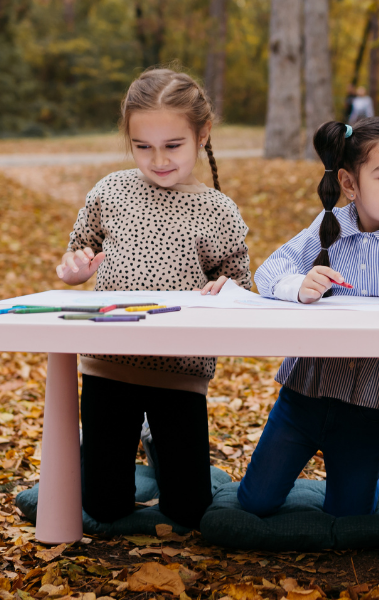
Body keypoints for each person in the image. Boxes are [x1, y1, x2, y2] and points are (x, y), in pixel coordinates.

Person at [55, 68, 252, 529]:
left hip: (180, 372)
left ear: (202, 135)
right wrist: (73, 270)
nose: (158, 159)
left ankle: (156, 444)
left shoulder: (218, 210)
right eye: (143, 146)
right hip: (108, 364)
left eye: (172, 146)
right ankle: (135, 447)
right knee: (103, 507)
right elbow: (75, 253)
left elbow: (240, 281)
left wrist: (230, 289)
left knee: (188, 511)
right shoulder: (110, 191)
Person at [238, 117, 379, 518]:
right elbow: (267, 273)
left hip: (369, 408)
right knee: (255, 503)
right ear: (350, 184)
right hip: (302, 396)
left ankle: (377, 470)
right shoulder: (329, 226)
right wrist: (300, 285)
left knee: (350, 515)